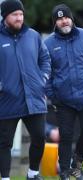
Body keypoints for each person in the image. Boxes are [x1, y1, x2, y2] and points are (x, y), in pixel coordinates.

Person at [44, 4, 83, 180]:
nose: (64, 21)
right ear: (55, 22)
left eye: (66, 17)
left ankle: (77, 166)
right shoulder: (48, 44)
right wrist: (51, 94)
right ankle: (64, 172)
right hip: (63, 99)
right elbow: (45, 71)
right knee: (66, 136)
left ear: (71, 19)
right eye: (59, 19)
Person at [0, 0, 51, 180]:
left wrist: (42, 79)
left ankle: (33, 174)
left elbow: (45, 59)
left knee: (39, 138)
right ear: (5, 16)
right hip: (6, 99)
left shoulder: (33, 35)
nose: (19, 18)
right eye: (15, 15)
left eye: (21, 14)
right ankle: (5, 178)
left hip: (34, 97)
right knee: (4, 143)